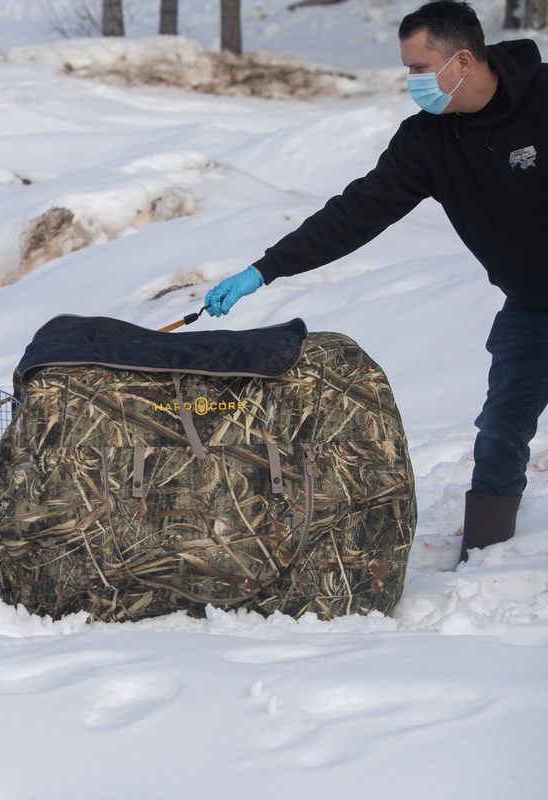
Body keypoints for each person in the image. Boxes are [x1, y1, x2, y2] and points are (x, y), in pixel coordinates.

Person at [205, 1, 548, 564]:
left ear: (462, 60)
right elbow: (356, 212)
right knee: (503, 427)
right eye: (407, 69)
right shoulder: (427, 141)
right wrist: (264, 269)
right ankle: (487, 557)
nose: (411, 81)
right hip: (532, 306)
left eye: (419, 68)